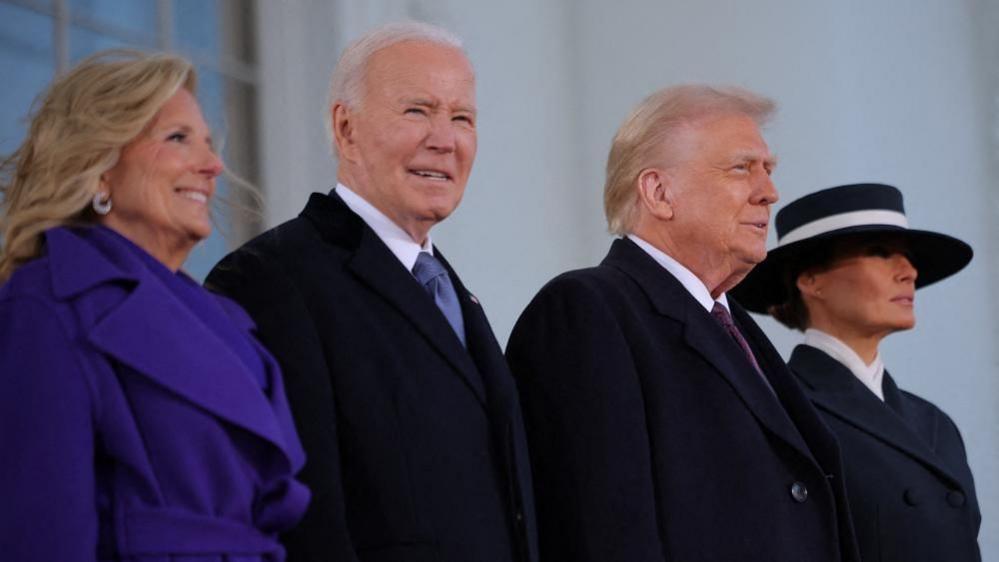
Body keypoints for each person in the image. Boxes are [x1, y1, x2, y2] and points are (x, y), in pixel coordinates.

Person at [206, 22, 537, 562]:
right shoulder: (270, 280)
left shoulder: (453, 292)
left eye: (462, 118)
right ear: (346, 129)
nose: (444, 139)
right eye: (417, 111)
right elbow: (301, 517)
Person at [506, 85, 861, 561]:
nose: (769, 193)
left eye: (768, 170)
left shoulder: (734, 326)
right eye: (742, 168)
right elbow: (600, 530)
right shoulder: (587, 312)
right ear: (658, 192)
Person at [0, 51, 308, 562]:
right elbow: (39, 536)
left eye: (209, 144)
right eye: (177, 138)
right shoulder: (47, 305)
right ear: (99, 170)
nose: (213, 166)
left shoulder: (224, 322)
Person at [730, 182, 981, 561]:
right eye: (879, 253)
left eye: (909, 257)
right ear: (811, 280)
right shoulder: (776, 409)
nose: (909, 271)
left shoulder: (935, 424)